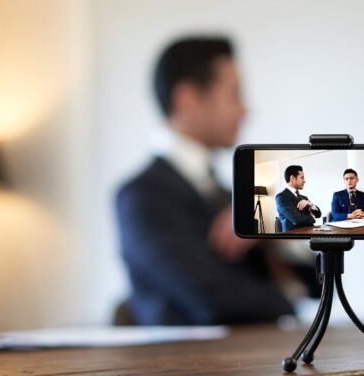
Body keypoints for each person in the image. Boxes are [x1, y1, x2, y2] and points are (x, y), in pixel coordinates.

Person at [115, 37, 317, 325]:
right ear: (188, 98)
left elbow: (319, 285)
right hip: (184, 366)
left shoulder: (232, 196)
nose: (245, 111)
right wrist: (287, 298)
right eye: (235, 95)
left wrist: (279, 228)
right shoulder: (140, 197)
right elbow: (214, 300)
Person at [275, 165, 322, 232]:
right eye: (302, 178)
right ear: (292, 178)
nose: (304, 181)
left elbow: (318, 214)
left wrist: (310, 204)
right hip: (294, 237)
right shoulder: (281, 197)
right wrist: (312, 218)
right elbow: (297, 220)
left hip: (310, 232)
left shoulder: (304, 198)